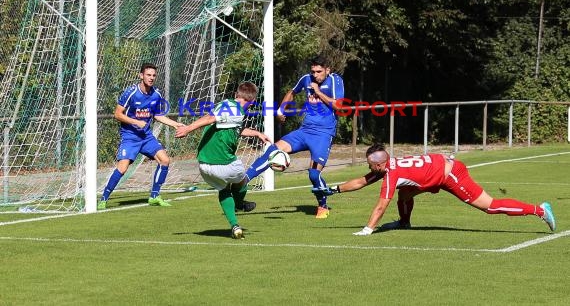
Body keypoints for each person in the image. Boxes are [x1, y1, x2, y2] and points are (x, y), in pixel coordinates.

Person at [313, 143, 556, 235]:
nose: (370, 168)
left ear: (380, 163)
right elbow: (362, 181)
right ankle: (405, 223)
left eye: (371, 165)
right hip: (438, 170)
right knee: (405, 193)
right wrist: (333, 189)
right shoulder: (389, 166)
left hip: (451, 174)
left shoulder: (391, 174)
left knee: (490, 207)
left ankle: (540, 210)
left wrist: (367, 230)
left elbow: (380, 205)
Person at [243, 55, 345, 218]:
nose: (315, 75)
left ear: (327, 70)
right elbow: (292, 92)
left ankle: (323, 206)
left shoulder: (335, 81)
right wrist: (281, 110)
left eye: (319, 72)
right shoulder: (306, 79)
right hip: (304, 131)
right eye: (313, 71)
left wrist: (318, 91)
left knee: (313, 174)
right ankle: (242, 183)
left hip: (323, 134)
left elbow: (339, 106)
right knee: (272, 151)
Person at [175, 82, 271, 239]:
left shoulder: (233, 110)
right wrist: (187, 129)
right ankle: (239, 203)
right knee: (243, 180)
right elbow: (210, 118)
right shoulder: (232, 108)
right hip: (224, 163)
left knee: (225, 189)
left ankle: (235, 226)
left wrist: (256, 133)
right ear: (252, 102)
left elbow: (235, 128)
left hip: (204, 166)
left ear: (236, 95)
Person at [98, 63, 184, 210]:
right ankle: (104, 198)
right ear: (141, 75)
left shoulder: (156, 94)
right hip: (130, 136)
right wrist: (135, 121)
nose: (151, 78)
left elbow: (157, 115)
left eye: (153, 75)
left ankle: (155, 196)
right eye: (148, 75)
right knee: (123, 168)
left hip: (146, 137)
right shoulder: (131, 92)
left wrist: (175, 124)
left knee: (164, 160)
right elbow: (117, 114)